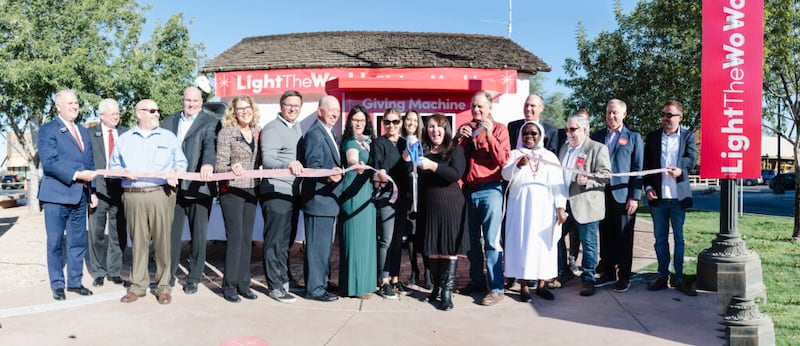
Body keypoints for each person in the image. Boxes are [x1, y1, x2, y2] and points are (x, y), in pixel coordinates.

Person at [111, 99, 187, 304]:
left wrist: (175, 172)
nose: (156, 114)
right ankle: (138, 286)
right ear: (139, 113)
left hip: (160, 193)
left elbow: (181, 162)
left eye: (157, 110)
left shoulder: (168, 137)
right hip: (132, 194)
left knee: (162, 242)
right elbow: (113, 165)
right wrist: (120, 172)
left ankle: (163, 286)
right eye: (152, 110)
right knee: (138, 243)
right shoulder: (125, 139)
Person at [38, 89, 98, 300]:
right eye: (70, 103)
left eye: (76, 103)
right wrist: (76, 175)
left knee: (78, 242)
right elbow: (50, 163)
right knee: (55, 243)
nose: (75, 106)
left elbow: (89, 163)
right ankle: (57, 285)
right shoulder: (48, 130)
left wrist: (92, 191)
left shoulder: (83, 131)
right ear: (58, 107)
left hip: (80, 197)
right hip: (55, 197)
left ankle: (74, 282)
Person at [502, 121, 567, 302]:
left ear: (541, 136)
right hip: (521, 209)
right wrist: (519, 165)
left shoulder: (550, 157)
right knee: (522, 245)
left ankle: (542, 285)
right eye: (525, 133)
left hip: (544, 210)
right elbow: (505, 175)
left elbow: (558, 185)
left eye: (533, 133)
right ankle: (523, 287)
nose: (529, 136)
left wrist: (560, 207)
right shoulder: (515, 154)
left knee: (543, 246)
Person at [456, 90, 510, 306]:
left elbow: (504, 160)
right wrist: (459, 139)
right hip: (469, 189)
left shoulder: (500, 129)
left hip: (491, 189)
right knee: (471, 242)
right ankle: (477, 282)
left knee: (491, 240)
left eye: (480, 106)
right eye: (473, 106)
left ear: (490, 108)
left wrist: (488, 136)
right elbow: (457, 159)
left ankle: (496, 287)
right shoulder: (467, 129)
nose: (476, 110)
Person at [163, 86, 218, 294]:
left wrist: (208, 164)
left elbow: (210, 146)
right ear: (182, 100)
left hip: (199, 186)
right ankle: (167, 276)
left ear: (201, 102)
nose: (191, 104)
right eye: (188, 100)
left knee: (198, 236)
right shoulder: (169, 121)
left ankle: (193, 278)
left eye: (195, 101)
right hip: (172, 187)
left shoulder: (210, 122)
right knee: (171, 235)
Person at [410, 113, 468, 311]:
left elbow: (455, 174)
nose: (435, 130)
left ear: (446, 129)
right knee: (433, 249)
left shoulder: (455, 149)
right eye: (431, 126)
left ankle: (446, 292)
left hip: (451, 205)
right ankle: (435, 287)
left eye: (439, 126)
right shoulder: (423, 150)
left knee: (448, 250)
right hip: (429, 206)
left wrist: (432, 166)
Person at [643, 100, 698, 297]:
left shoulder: (688, 136)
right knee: (659, 239)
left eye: (669, 115)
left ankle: (680, 278)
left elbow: (692, 159)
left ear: (680, 117)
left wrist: (680, 168)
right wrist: (648, 187)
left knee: (679, 239)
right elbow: (647, 165)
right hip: (658, 197)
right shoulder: (653, 137)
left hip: (678, 197)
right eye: (663, 114)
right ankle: (662, 276)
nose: (665, 118)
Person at [590, 99, 643, 292]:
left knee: (624, 236)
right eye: (608, 112)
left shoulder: (634, 137)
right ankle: (608, 272)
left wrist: (635, 196)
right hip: (601, 195)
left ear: (623, 115)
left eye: (615, 113)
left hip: (623, 195)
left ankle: (625, 275)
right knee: (605, 234)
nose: (611, 116)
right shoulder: (597, 136)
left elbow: (638, 169)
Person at [558, 114, 611, 297]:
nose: (569, 133)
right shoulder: (564, 148)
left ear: (585, 130)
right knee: (556, 238)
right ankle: (563, 272)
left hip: (586, 205)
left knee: (589, 244)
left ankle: (588, 279)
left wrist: (588, 179)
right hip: (564, 204)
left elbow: (606, 176)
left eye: (573, 129)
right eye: (567, 130)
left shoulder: (597, 148)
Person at [214, 95, 261, 303]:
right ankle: (229, 286)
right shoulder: (227, 133)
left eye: (247, 108)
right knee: (235, 239)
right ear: (234, 112)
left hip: (251, 190)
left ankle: (244, 284)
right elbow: (219, 166)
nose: (244, 111)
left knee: (246, 239)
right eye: (240, 109)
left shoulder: (257, 132)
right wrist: (231, 167)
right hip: (231, 191)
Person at [260, 90, 304, 303]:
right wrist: (286, 166)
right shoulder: (272, 129)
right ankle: (275, 285)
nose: (293, 108)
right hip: (276, 191)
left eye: (297, 105)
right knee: (275, 241)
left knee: (287, 241)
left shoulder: (296, 128)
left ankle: (285, 279)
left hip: (292, 193)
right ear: (281, 105)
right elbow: (267, 160)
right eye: (289, 104)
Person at [299, 95, 344, 302]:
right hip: (318, 202)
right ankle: (315, 290)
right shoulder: (315, 134)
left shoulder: (330, 133)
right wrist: (328, 174)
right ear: (320, 112)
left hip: (327, 202)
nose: (335, 113)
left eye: (337, 109)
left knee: (323, 248)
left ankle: (321, 283)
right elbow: (312, 165)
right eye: (330, 109)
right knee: (317, 249)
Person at [337, 105, 378, 299]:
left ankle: (367, 283)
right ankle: (354, 287)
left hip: (367, 192)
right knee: (354, 240)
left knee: (366, 240)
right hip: (353, 193)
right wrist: (356, 165)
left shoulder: (369, 142)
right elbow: (352, 158)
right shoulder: (350, 142)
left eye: (362, 120)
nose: (359, 123)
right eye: (355, 120)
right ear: (350, 122)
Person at [86, 98, 128, 287]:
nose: (116, 117)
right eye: (112, 114)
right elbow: (86, 164)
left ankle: (115, 270)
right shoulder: (89, 134)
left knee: (118, 231)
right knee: (96, 232)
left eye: (118, 113)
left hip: (121, 190)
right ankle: (98, 271)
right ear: (101, 115)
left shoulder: (127, 133)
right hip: (98, 191)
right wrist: (90, 192)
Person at [371, 108, 409, 297]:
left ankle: (395, 278)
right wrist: (380, 173)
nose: (391, 125)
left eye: (395, 122)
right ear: (383, 123)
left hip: (403, 198)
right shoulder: (379, 142)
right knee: (386, 239)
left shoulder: (405, 143)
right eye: (387, 122)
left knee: (397, 240)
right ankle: (383, 280)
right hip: (386, 198)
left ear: (400, 123)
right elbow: (377, 166)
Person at [401, 109, 428, 289]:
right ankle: (414, 270)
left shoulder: (424, 144)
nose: (411, 123)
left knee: (424, 233)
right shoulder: (401, 143)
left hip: (423, 193)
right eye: (408, 120)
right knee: (410, 233)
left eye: (414, 120)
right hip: (408, 193)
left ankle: (427, 271)